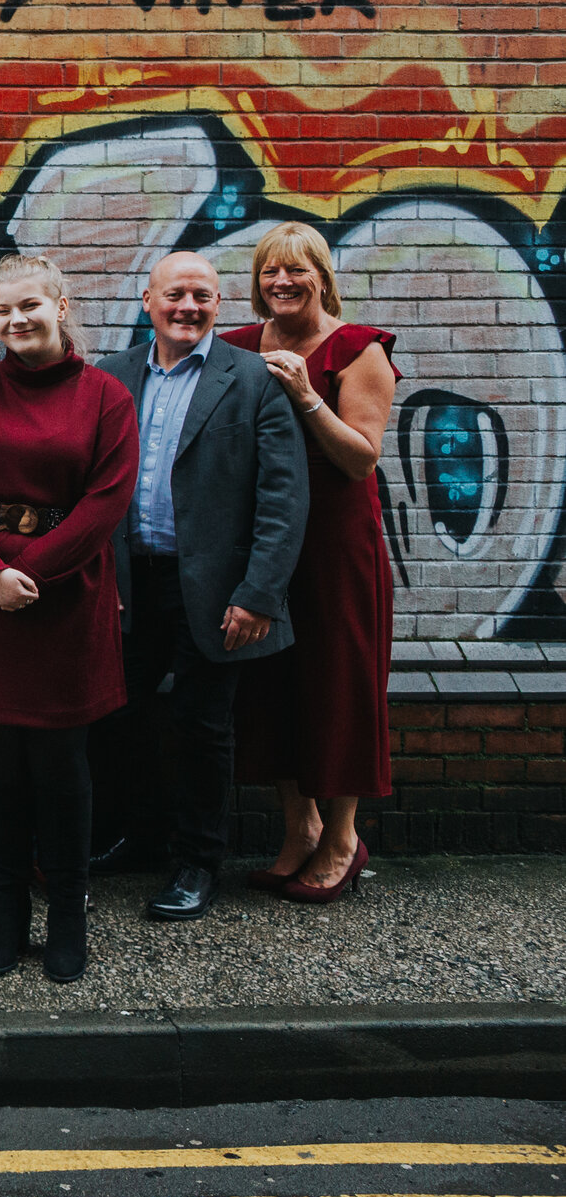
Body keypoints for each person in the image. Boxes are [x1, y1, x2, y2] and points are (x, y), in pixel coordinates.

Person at [0, 255, 141, 983]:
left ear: (60, 304)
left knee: (60, 766)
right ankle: (7, 912)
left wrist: (34, 574)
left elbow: (107, 502)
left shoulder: (107, 397)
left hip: (65, 597)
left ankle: (68, 918)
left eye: (29, 306)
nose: (16, 320)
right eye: (3, 311)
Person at [99, 251, 310, 922]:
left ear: (220, 304)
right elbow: (92, 487)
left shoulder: (253, 380)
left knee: (202, 728)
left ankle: (197, 862)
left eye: (203, 295)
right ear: (147, 300)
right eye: (175, 294)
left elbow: (283, 498)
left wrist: (257, 594)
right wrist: (101, 577)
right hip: (133, 583)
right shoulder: (112, 376)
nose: (188, 306)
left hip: (218, 593)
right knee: (118, 716)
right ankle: (141, 837)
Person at [221, 222, 396, 906]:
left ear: (322, 276)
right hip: (268, 543)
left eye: (296, 270)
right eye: (270, 272)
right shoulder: (239, 345)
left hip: (335, 544)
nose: (282, 282)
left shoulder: (359, 349)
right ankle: (300, 829)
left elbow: (361, 457)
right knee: (273, 688)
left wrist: (305, 393)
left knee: (339, 684)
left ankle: (344, 839)